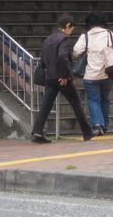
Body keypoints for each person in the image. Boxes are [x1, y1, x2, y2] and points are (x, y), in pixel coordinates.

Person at [31, 15, 93, 144]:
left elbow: (43, 57)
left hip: (50, 77)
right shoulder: (63, 39)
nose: (71, 32)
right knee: (75, 103)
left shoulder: (49, 39)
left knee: (46, 105)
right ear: (68, 26)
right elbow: (63, 57)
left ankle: (37, 132)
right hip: (61, 78)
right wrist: (65, 75)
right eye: (71, 29)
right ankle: (87, 132)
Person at [72, 11, 113, 136]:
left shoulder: (85, 36)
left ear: (89, 23)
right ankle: (104, 125)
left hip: (91, 75)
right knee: (105, 100)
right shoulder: (110, 35)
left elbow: (76, 51)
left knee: (93, 100)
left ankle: (97, 125)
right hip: (108, 74)